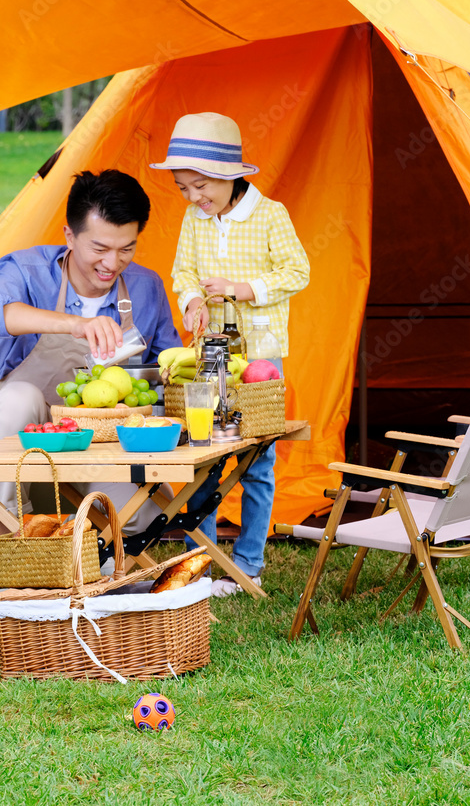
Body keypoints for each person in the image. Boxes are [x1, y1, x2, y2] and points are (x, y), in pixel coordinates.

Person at [150, 112, 310, 596]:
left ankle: (248, 565)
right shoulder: (194, 220)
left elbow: (298, 272)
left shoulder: (270, 215)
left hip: (258, 357)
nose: (194, 197)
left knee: (256, 462)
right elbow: (182, 273)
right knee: (207, 458)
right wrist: (193, 300)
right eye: (184, 188)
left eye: (201, 186)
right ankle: (202, 562)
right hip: (209, 356)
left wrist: (243, 288)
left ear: (230, 176)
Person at [0, 169, 181, 527]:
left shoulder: (147, 287)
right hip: (24, 460)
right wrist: (74, 324)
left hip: (103, 456)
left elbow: (169, 373)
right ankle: (16, 550)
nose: (112, 264)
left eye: (126, 249)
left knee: (145, 513)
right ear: (69, 235)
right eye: (99, 248)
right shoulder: (27, 269)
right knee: (18, 396)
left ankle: (95, 568)